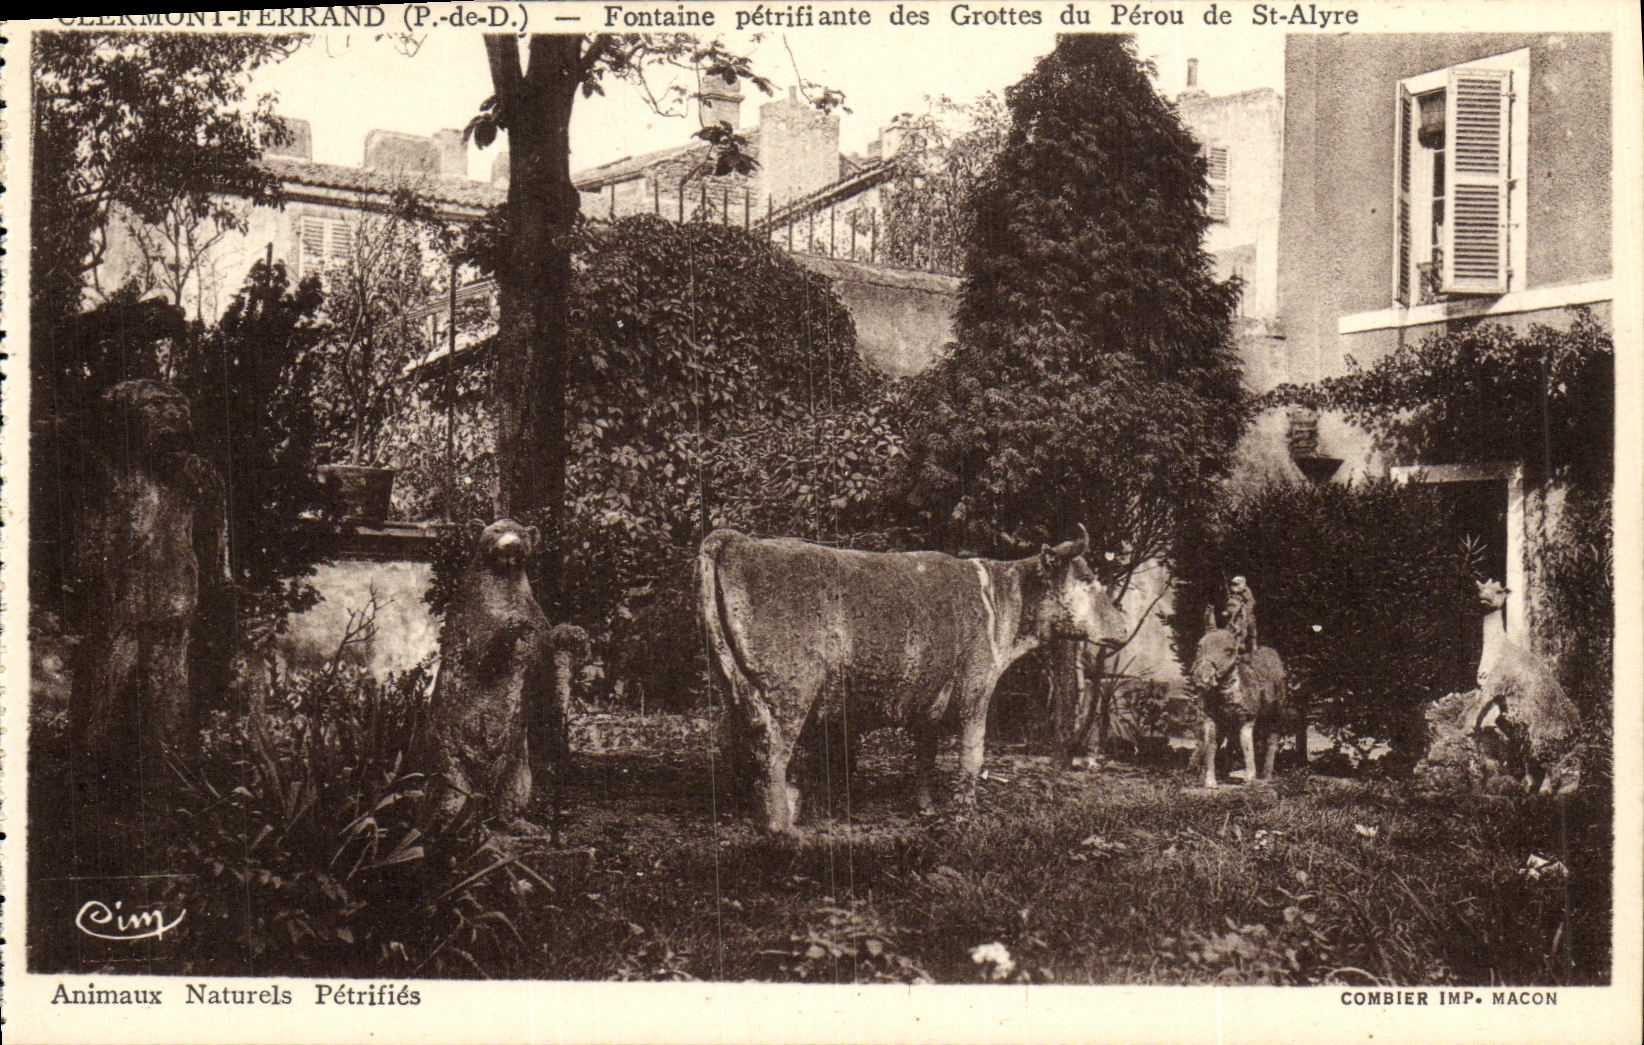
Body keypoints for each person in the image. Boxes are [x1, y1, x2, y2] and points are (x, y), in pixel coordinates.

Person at [1224, 575, 1258, 657]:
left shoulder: (1246, 592)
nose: (1234, 585)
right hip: (1234, 614)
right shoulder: (1233, 592)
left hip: (1245, 613)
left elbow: (1251, 603)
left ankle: (1252, 646)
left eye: (1236, 584)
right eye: (1233, 583)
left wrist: (1244, 611)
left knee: (1250, 626)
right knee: (1231, 627)